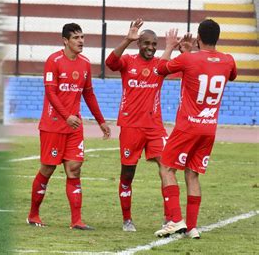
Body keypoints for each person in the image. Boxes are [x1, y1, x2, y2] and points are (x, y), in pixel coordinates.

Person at [154, 19, 237, 239]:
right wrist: (192, 53)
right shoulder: (228, 60)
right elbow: (229, 74)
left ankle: (175, 220)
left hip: (187, 126)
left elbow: (160, 69)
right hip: (209, 128)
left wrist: (171, 46)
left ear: (198, 37)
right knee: (192, 175)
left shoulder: (188, 59)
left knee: (166, 168)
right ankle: (191, 227)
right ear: (217, 38)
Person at [27, 23, 111, 230]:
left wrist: (101, 121)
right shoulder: (53, 61)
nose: (81, 41)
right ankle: (33, 215)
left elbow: (88, 94)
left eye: (82, 37)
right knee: (48, 168)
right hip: (53, 125)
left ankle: (77, 220)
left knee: (74, 169)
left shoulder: (85, 63)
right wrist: (66, 116)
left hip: (74, 127)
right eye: (76, 38)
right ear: (65, 40)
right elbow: (51, 93)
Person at [105, 19, 169, 232]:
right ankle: (127, 220)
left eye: (154, 44)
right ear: (138, 43)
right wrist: (127, 39)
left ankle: (170, 218)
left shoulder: (161, 65)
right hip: (131, 127)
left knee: (166, 167)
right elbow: (110, 63)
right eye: (146, 43)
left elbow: (183, 66)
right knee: (127, 175)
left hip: (155, 127)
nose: (150, 48)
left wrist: (183, 50)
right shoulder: (128, 61)